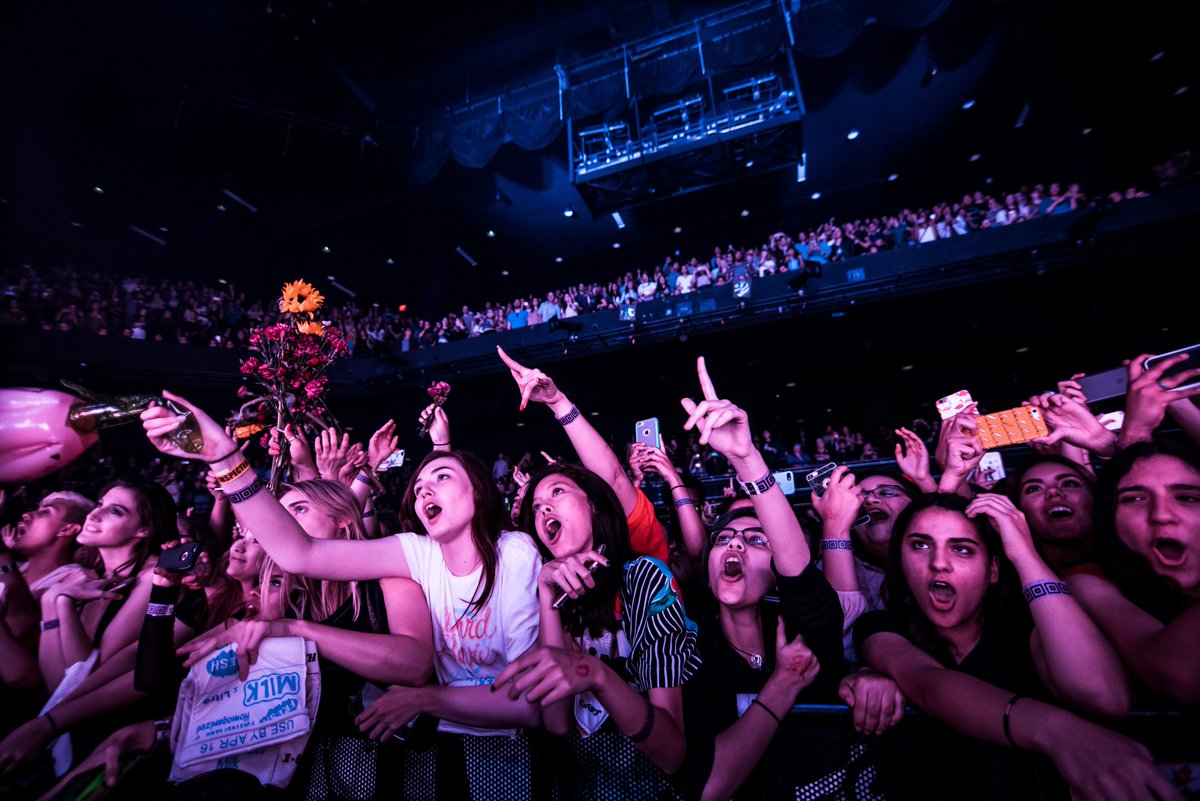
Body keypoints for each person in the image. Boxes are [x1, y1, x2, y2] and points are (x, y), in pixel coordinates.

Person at [139, 393, 544, 788]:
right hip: (398, 750)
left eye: (440, 478)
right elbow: (299, 552)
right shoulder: (417, 551)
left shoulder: (513, 552)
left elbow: (529, 703)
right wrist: (225, 457)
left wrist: (427, 698)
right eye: (418, 485)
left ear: (479, 491)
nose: (422, 490)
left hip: (501, 745)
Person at [854, 493, 1169, 801]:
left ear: (993, 570)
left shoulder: (1029, 628)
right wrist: (1059, 733)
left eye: (962, 549)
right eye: (920, 545)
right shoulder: (881, 625)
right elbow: (928, 683)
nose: (938, 564)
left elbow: (1103, 698)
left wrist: (1024, 555)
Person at [664, 358, 846, 801]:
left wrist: (747, 458)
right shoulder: (688, 646)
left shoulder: (808, 629)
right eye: (724, 537)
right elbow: (707, 786)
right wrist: (784, 684)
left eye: (756, 539)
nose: (735, 545)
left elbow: (799, 570)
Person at [498, 460, 700, 795]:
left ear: (593, 503)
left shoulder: (644, 576)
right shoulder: (551, 593)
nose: (543, 506)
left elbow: (673, 753)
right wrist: (548, 596)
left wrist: (597, 674)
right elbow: (557, 721)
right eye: (536, 507)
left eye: (557, 492)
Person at [1068, 440, 1200, 705]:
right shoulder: (1089, 581)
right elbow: (1176, 673)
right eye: (1135, 499)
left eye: (1187, 498)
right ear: (1109, 517)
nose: (1161, 515)